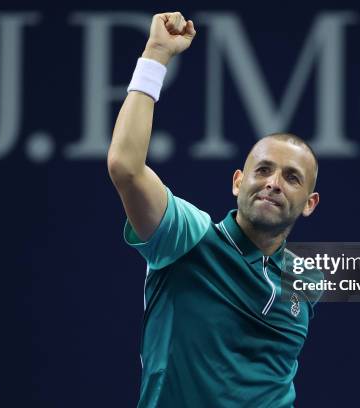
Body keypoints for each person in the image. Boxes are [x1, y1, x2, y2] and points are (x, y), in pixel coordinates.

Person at [107, 11, 321, 408]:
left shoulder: (308, 281)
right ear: (239, 181)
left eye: (291, 178)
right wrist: (155, 55)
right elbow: (126, 167)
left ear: (310, 204)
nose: (273, 182)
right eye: (263, 170)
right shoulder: (186, 236)